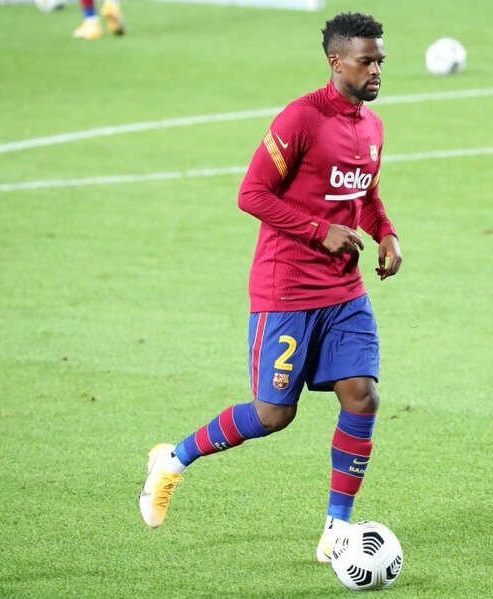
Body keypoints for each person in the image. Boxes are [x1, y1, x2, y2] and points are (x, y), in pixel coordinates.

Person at [138, 12, 402, 563]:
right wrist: (319, 231)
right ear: (336, 62)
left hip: (345, 293)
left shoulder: (373, 126)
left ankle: (336, 530)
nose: (377, 70)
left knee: (363, 395)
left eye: (380, 60)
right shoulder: (301, 119)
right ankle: (173, 460)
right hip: (287, 291)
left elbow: (365, 195)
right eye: (366, 61)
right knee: (273, 415)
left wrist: (386, 233)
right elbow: (252, 194)